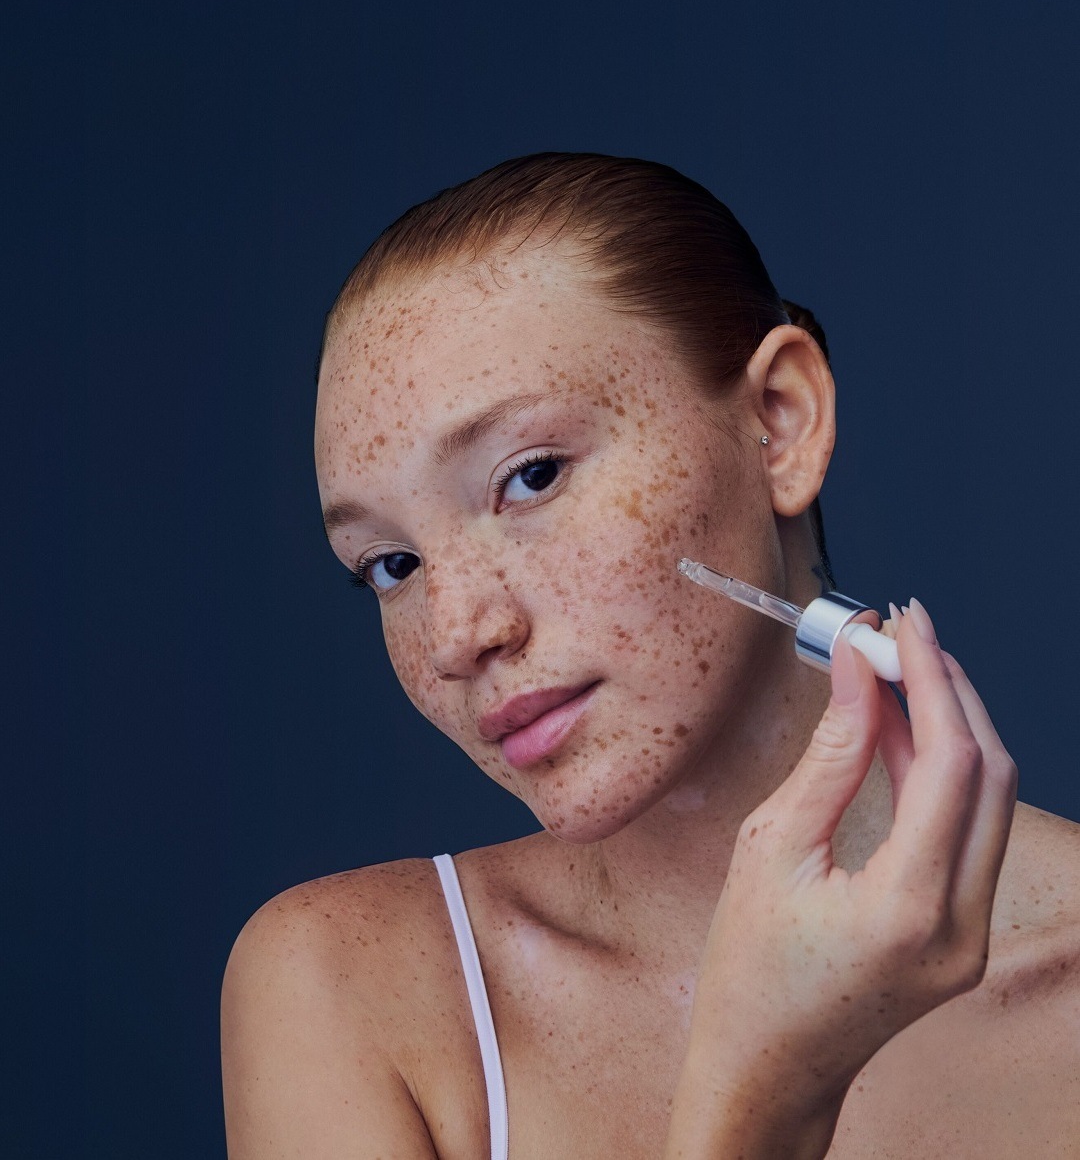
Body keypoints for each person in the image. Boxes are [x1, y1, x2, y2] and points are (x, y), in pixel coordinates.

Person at [221, 153, 1079, 1157]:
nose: (457, 636)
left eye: (530, 477)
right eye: (391, 565)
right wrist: (760, 1099)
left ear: (782, 421)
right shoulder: (354, 993)